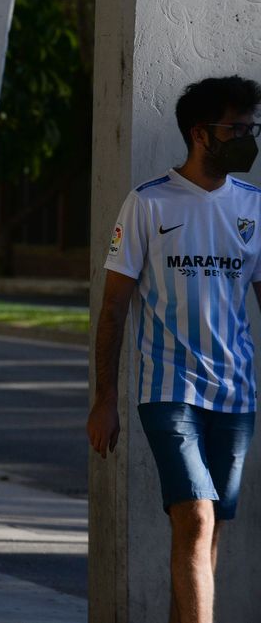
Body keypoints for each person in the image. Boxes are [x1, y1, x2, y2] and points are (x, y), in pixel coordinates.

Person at [87, 75, 261, 623]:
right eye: (237, 128)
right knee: (195, 520)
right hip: (169, 391)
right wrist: (105, 398)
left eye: (253, 128)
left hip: (236, 395)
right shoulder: (147, 204)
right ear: (200, 133)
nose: (249, 139)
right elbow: (113, 309)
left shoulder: (255, 207)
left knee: (207, 537)